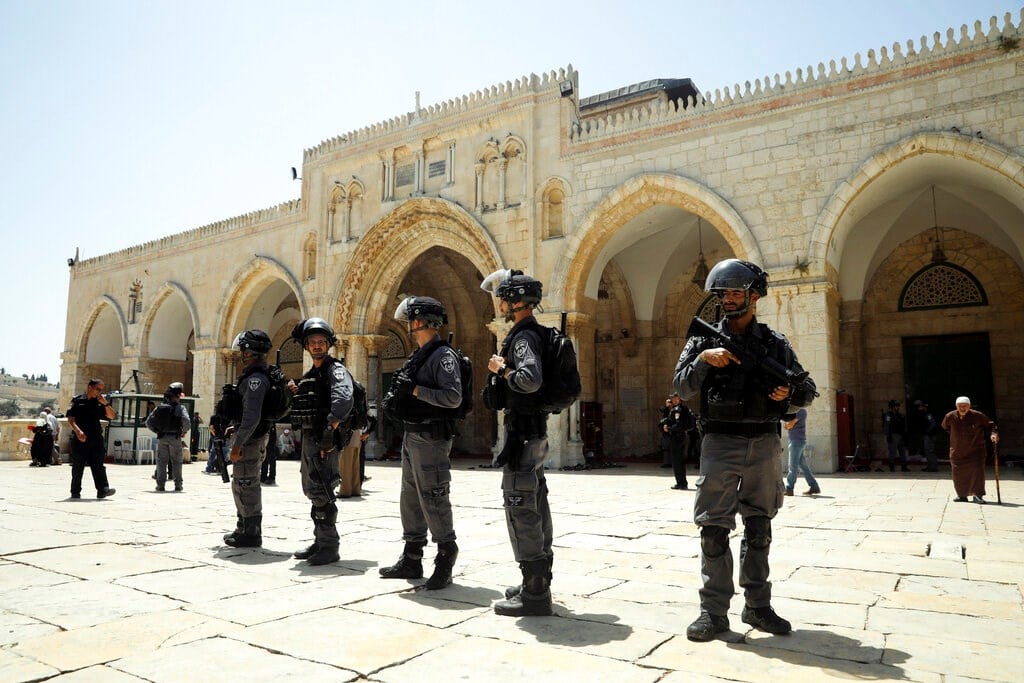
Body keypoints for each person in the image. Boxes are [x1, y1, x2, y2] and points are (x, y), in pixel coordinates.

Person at [674, 258, 816, 641]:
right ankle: (713, 612)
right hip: (719, 441)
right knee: (713, 529)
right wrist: (704, 360)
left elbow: (807, 391)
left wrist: (789, 394)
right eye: (723, 293)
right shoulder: (702, 340)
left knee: (759, 527)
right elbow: (683, 388)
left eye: (736, 292)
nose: (728, 300)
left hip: (764, 442)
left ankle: (757, 606)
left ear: (754, 297)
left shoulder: (775, 344)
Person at [481, 268, 555, 617]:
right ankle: (537, 579)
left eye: (504, 297)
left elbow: (529, 380)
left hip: (523, 435)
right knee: (536, 501)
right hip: (533, 432)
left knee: (520, 504)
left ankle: (535, 592)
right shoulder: (534, 333)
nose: (500, 303)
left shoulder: (523, 338)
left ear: (516, 301)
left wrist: (501, 370)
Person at [378, 296, 463, 590]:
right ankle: (412, 557)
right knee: (410, 498)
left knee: (434, 496)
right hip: (412, 435)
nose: (410, 327)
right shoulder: (420, 354)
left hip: (431, 437)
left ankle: (445, 556)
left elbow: (453, 397)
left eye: (412, 322)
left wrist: (415, 390)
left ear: (421, 322)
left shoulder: (443, 356)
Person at [287, 318, 354, 566]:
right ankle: (319, 541)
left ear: (328, 344)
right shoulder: (313, 373)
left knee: (323, 489)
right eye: (312, 342)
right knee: (313, 488)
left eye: (321, 342)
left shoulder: (334, 369)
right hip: (311, 438)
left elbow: (344, 398)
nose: (317, 346)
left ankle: (329, 546)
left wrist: (330, 428)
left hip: (325, 439)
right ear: (306, 346)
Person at [222, 330, 275, 547]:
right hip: (252, 437)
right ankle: (243, 526)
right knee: (242, 483)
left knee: (246, 483)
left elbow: (252, 417)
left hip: (251, 441)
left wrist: (238, 443)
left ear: (248, 352)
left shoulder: (255, 379)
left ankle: (251, 532)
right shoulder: (257, 376)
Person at [941, 396, 999, 504]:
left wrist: (993, 434)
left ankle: (977, 495)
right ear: (956, 406)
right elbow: (945, 427)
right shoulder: (950, 416)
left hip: (976, 451)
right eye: (960, 406)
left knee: (977, 473)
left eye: (965, 406)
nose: (962, 408)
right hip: (957, 451)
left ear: (969, 406)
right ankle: (962, 495)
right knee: (958, 474)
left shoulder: (978, 416)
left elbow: (991, 425)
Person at [66, 378, 117, 500]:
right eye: (98, 389)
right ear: (90, 387)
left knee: (98, 465)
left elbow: (112, 416)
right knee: (78, 466)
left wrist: (106, 404)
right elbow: (71, 420)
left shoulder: (100, 402)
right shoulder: (77, 401)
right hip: (80, 438)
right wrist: (78, 431)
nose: (100, 392)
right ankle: (75, 492)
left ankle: (103, 490)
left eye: (102, 390)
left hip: (96, 439)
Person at [146, 382, 190, 492]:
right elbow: (187, 422)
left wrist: (157, 431)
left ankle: (160, 485)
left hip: (162, 438)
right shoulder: (180, 408)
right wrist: (183, 431)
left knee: (161, 462)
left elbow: (148, 422)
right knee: (176, 462)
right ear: (177, 396)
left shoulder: (159, 408)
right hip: (175, 438)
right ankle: (178, 485)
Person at [783, 407, 819, 496]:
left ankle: (789, 489)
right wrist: (787, 425)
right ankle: (814, 487)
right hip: (797, 441)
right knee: (803, 466)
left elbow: (789, 425)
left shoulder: (800, 411)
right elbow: (787, 425)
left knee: (792, 467)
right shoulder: (798, 411)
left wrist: (787, 424)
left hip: (796, 442)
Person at [666, 393, 693, 490]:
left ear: (678, 399)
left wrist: (668, 429)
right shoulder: (683, 408)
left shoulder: (678, 410)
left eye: (674, 398)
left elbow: (678, 425)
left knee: (677, 461)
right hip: (682, 436)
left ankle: (681, 483)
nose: (672, 399)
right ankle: (682, 482)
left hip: (677, 437)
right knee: (680, 460)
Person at [882, 399, 910, 472]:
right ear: (892, 407)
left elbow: (903, 426)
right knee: (892, 451)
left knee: (902, 451)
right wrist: (888, 435)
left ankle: (904, 466)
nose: (897, 407)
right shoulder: (889, 415)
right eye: (896, 406)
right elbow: (886, 425)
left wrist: (905, 435)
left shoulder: (899, 415)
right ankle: (891, 466)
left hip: (900, 435)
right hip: (893, 435)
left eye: (898, 406)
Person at [914, 400, 940, 472]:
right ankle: (930, 466)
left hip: (930, 435)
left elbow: (932, 424)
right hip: (928, 435)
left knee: (930, 451)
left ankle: (933, 467)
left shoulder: (928, 414)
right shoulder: (924, 414)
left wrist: (927, 432)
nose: (919, 408)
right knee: (928, 450)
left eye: (920, 406)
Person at [206, 408, 228, 474]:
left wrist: (214, 436)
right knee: (223, 454)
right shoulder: (226, 418)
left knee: (213, 453)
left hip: (216, 438)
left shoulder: (213, 417)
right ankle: (221, 469)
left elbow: (211, 428)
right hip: (224, 438)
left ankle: (209, 468)